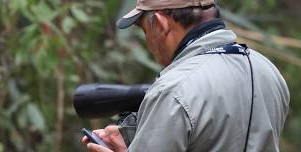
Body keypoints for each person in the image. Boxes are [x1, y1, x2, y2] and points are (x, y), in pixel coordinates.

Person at [81, 0, 290, 151]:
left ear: (162, 25)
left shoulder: (174, 89)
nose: (148, 43)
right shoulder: (268, 71)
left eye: (145, 31)